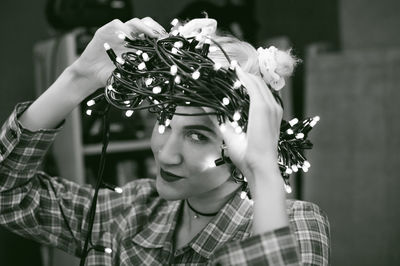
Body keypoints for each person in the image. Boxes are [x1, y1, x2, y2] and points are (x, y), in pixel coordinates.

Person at [0, 17, 330, 265]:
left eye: (198, 135)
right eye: (165, 120)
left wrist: (264, 171)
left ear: (254, 137)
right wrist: (78, 78)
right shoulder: (131, 211)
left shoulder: (299, 227)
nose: (166, 154)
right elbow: (8, 194)